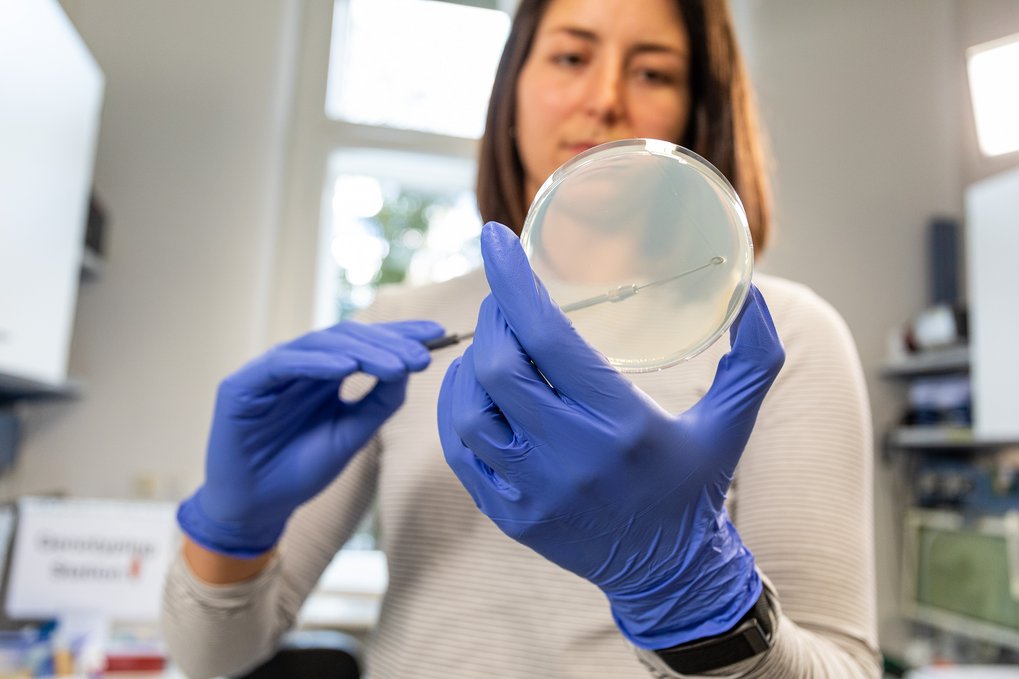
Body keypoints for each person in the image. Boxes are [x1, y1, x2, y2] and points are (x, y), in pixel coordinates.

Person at [162, 0, 881, 677]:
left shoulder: (784, 336)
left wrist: (690, 592)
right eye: (571, 57)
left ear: (697, 110)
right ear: (512, 90)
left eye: (652, 71)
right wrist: (231, 528)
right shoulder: (400, 327)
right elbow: (211, 659)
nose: (603, 97)